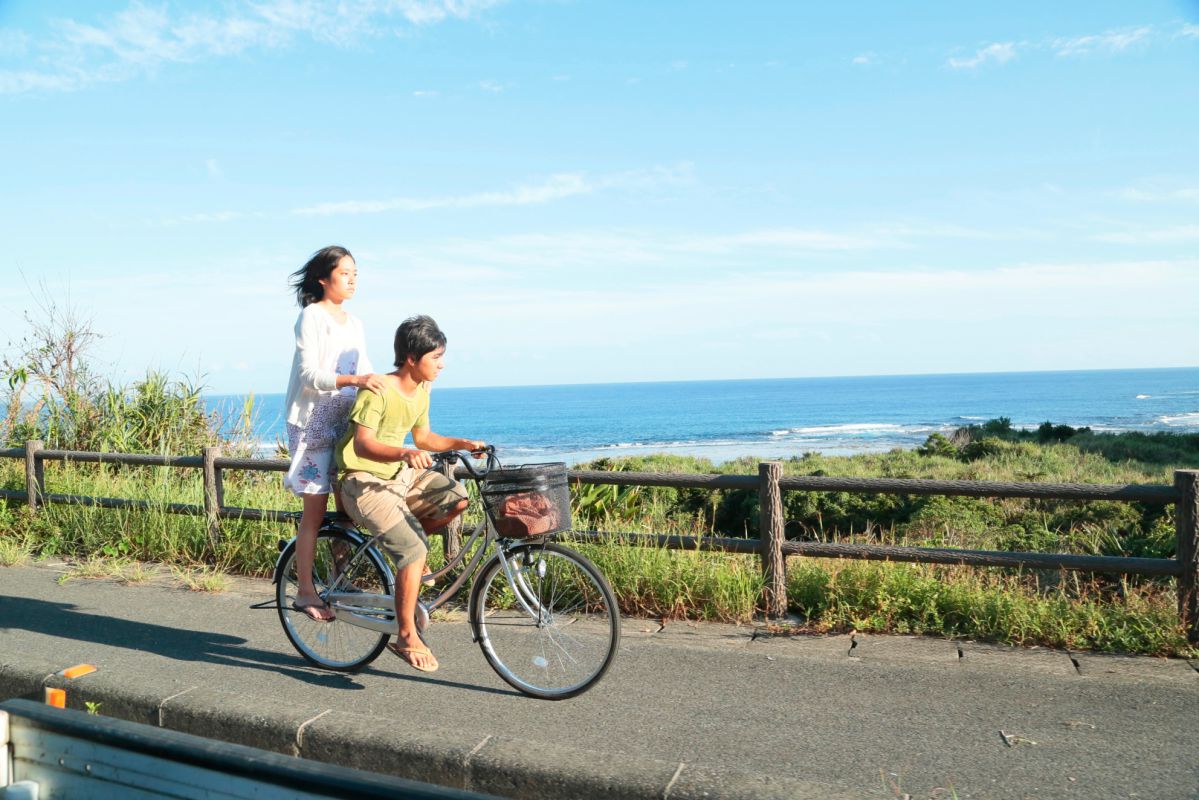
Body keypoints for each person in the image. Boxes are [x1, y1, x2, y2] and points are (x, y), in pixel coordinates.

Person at [335, 315, 485, 673]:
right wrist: (403, 453)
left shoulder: (421, 390)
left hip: (400, 477)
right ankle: (405, 636)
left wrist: (463, 443)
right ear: (411, 358)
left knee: (456, 497)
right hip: (362, 480)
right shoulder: (377, 390)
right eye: (436, 357)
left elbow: (424, 438)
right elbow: (363, 444)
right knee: (414, 549)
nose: (441, 364)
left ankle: (408, 553)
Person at [283, 246, 385, 622]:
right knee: (314, 512)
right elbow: (309, 374)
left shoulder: (355, 323)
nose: (352, 280)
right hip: (311, 424)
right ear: (323, 279)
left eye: (355, 274)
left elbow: (367, 371)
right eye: (345, 273)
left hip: (343, 422)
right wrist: (354, 380)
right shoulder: (312, 316)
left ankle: (341, 579)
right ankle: (304, 591)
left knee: (347, 506)